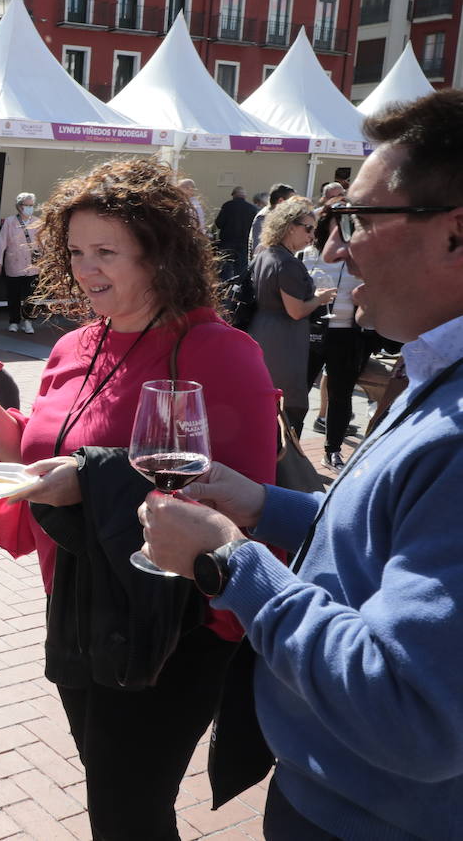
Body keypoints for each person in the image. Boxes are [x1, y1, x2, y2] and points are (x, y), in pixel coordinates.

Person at [139, 89, 463, 841]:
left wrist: (230, 563)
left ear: (454, 235)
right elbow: (391, 537)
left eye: (358, 220)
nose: (338, 249)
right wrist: (264, 504)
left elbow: (412, 712)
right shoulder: (436, 373)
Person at [0, 158, 279, 841]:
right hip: (77, 599)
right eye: (74, 251)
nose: (86, 268)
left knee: (126, 810)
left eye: (106, 252)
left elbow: (245, 508)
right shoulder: (74, 345)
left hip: (175, 619)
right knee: (115, 794)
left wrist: (94, 478)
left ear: (160, 254)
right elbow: (43, 459)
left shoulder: (221, 351)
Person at [246, 198, 339, 436]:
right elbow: (296, 310)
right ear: (289, 226)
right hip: (283, 340)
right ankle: (281, 462)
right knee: (285, 406)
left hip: (262, 332)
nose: (312, 235)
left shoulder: (265, 254)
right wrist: (319, 298)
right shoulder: (287, 263)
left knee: (263, 401)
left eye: (314, 229)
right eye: (308, 228)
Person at [301, 215, 365, 469]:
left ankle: (332, 451)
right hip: (313, 331)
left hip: (347, 333)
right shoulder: (308, 254)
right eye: (338, 221)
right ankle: (289, 445)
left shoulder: (359, 255)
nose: (344, 227)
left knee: (341, 394)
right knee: (299, 391)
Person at [0, 191, 41, 334]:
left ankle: (28, 321)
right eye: (27, 205)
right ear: (19, 206)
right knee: (13, 295)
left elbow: (43, 243)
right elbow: (1, 243)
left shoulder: (37, 222)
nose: (29, 208)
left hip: (32, 266)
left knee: (31, 295)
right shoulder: (9, 222)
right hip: (13, 264)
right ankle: (14, 321)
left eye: (32, 205)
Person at [213, 185, 259, 281]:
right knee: (241, 268)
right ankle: (238, 289)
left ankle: (225, 288)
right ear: (245, 196)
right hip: (244, 242)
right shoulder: (252, 208)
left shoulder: (227, 206)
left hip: (227, 241)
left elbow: (219, 223)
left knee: (225, 267)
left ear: (233, 195)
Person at [249, 182, 296, 262]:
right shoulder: (263, 218)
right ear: (281, 201)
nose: (294, 205)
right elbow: (258, 252)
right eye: (292, 201)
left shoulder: (280, 217)